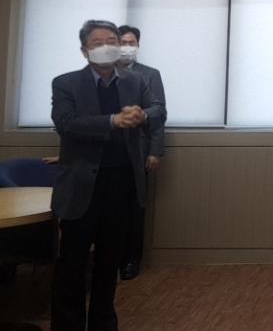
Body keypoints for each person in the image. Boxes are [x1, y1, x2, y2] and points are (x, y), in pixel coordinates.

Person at [50, 19, 166, 331]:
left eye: (111, 40)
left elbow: (158, 110)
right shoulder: (65, 83)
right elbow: (67, 123)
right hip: (81, 187)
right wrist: (113, 121)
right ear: (84, 51)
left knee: (108, 262)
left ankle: (104, 323)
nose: (106, 46)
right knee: (72, 264)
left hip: (121, 183)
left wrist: (143, 115)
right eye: (97, 42)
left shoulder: (135, 81)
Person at [115, 24, 167, 281]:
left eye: (131, 42)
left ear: (138, 45)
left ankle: (131, 260)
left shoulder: (149, 74)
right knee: (109, 207)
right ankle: (109, 258)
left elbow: (159, 115)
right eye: (122, 42)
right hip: (107, 150)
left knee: (135, 206)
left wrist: (154, 151)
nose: (126, 47)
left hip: (138, 150)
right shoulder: (103, 72)